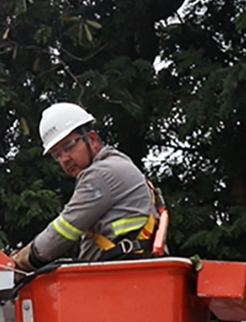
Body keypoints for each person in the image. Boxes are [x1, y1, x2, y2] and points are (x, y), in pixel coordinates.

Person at [11, 102, 165, 271]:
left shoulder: (101, 174)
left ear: (91, 139)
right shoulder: (120, 166)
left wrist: (18, 263)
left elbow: (62, 232)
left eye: (68, 147)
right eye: (57, 155)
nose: (64, 159)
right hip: (133, 274)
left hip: (120, 279)